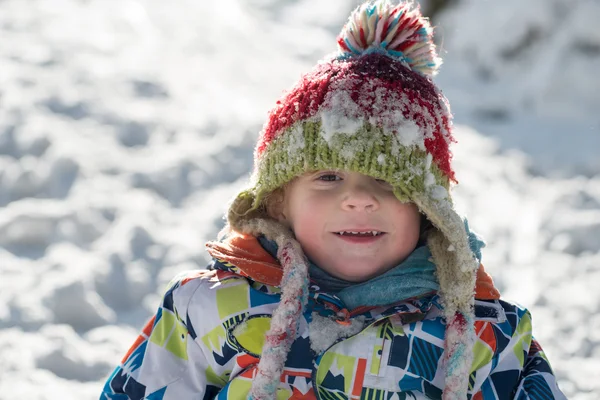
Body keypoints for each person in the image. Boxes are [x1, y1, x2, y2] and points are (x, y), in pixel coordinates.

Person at [101, 1, 566, 399]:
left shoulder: (488, 337)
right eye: (328, 177)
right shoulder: (209, 310)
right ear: (280, 201)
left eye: (388, 183)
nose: (359, 199)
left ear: (427, 211)